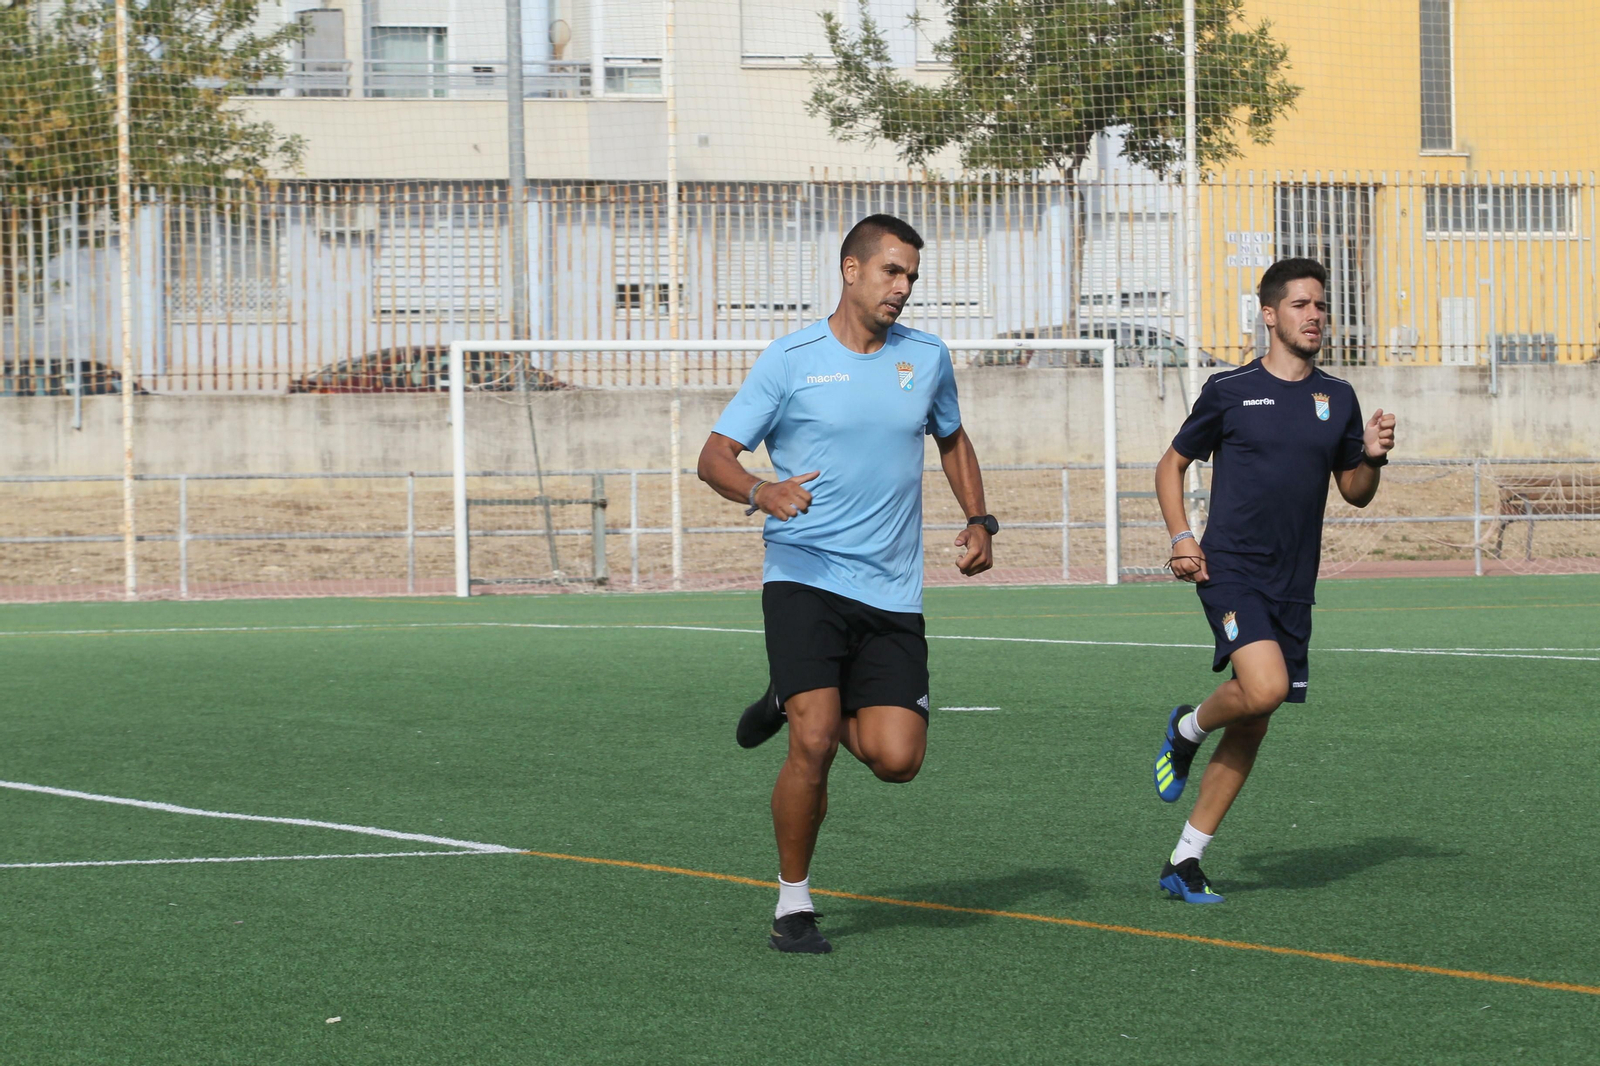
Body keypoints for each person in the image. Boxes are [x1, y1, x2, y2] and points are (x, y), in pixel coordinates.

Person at [696, 214, 999, 953]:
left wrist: (980, 518)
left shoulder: (926, 357)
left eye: (911, 278)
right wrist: (759, 492)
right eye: (892, 272)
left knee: (899, 760)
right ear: (851, 269)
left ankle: (787, 692)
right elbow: (714, 455)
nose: (903, 289)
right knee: (817, 738)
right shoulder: (791, 359)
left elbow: (952, 436)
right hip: (804, 575)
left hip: (892, 589)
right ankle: (793, 905)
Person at [1150, 257, 1397, 904]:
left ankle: (1185, 860)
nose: (1315, 315)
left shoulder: (1338, 398)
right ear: (1269, 314)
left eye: (1321, 305)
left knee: (1255, 720)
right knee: (1264, 687)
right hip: (1230, 568)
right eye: (1301, 305)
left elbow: (1356, 493)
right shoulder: (1229, 390)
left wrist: (1371, 455)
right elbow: (1170, 466)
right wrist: (1182, 538)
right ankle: (1186, 729)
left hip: (1295, 583)